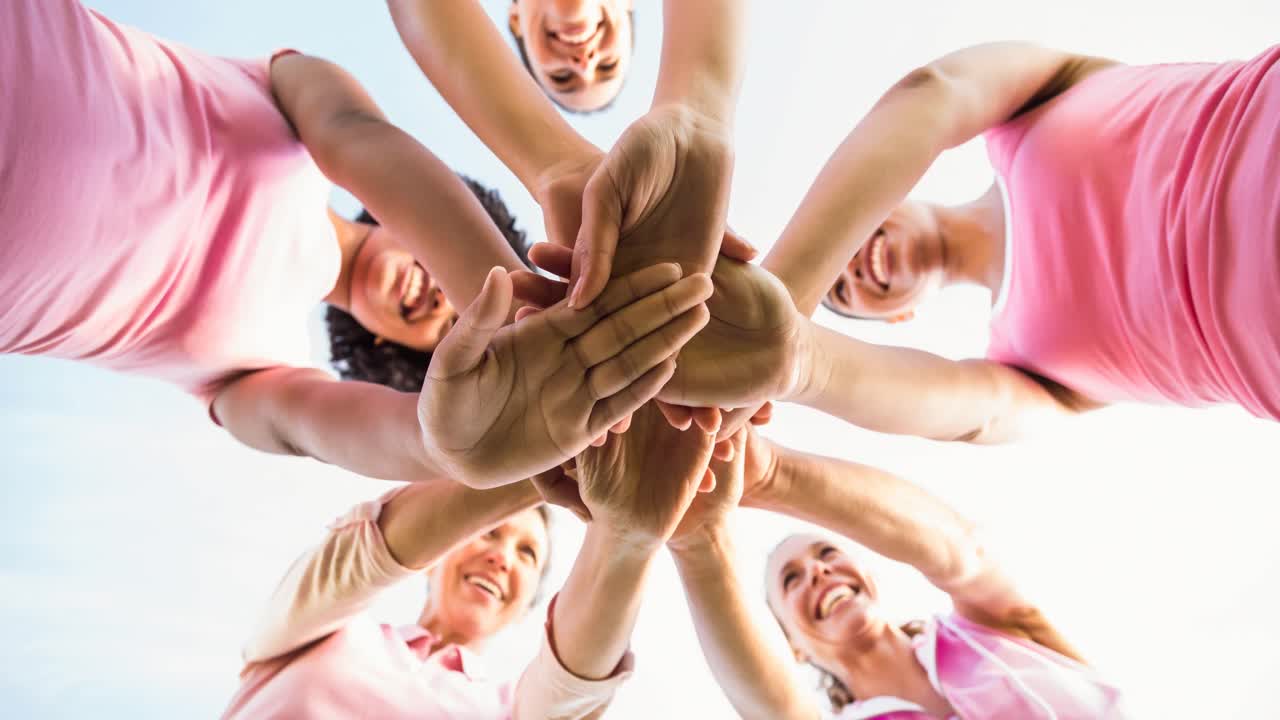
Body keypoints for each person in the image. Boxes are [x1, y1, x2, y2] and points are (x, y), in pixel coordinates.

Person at [0, 0, 713, 490]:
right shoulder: (288, 88)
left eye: (442, 330)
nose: (441, 296)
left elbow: (330, 429)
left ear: (386, 351)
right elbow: (360, 141)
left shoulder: (253, 375)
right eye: (454, 286)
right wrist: (512, 304)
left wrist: (459, 440)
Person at [753, 41, 1280, 443]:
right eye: (844, 292)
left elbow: (933, 92)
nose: (852, 265)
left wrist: (777, 301)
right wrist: (786, 354)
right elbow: (970, 416)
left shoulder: (1026, 112)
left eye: (837, 254)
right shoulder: (1021, 365)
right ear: (897, 318)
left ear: (877, 197)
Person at [666, 427, 1129, 719]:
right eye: (791, 579)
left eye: (827, 552)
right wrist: (698, 536)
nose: (819, 571)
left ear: (869, 574)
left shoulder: (995, 635)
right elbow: (771, 708)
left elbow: (963, 554)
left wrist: (768, 474)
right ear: (791, 646)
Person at [222, 476, 629, 718]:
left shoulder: (508, 710)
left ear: (529, 604)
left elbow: (575, 684)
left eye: (527, 554)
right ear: (436, 555)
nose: (502, 558)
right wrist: (548, 465)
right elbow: (360, 557)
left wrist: (628, 529)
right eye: (491, 533)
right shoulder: (325, 631)